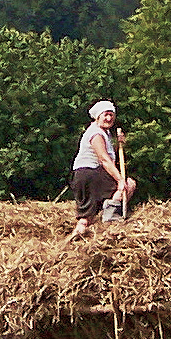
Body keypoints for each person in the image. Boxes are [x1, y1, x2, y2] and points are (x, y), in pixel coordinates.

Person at [69, 100, 136, 238]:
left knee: (86, 218)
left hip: (82, 176)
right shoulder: (96, 133)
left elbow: (110, 157)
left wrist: (119, 144)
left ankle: (72, 240)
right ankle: (110, 221)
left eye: (112, 115)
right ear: (97, 116)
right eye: (106, 114)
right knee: (128, 185)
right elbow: (104, 159)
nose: (109, 118)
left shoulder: (102, 133)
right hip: (91, 174)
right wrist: (120, 180)